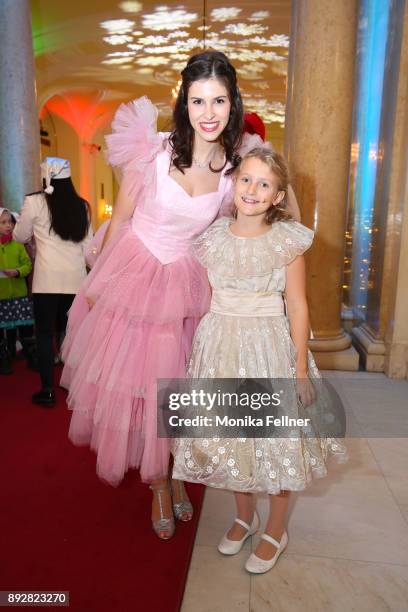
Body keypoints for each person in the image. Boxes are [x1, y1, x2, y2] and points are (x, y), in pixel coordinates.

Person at [60, 51, 301, 541]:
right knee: (145, 396)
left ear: (233, 104)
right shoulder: (153, 152)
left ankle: (175, 471)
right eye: (197, 100)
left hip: (192, 288)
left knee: (183, 395)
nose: (208, 112)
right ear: (184, 103)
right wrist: (97, 287)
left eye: (218, 100)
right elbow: (121, 223)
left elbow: (279, 209)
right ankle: (159, 485)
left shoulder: (237, 167)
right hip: (137, 280)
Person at [172, 147, 348, 573]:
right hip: (221, 346)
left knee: (273, 442)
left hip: (267, 347)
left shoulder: (287, 241)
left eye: (264, 184)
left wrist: (300, 370)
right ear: (234, 184)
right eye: (246, 179)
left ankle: (276, 527)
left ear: (277, 195)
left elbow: (299, 307)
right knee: (235, 437)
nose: (252, 189)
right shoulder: (212, 236)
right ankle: (243, 515)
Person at [13, 158, 92, 406]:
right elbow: (89, 247)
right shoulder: (82, 206)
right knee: (73, 335)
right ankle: (74, 388)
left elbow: (19, 235)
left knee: (45, 335)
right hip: (75, 280)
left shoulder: (34, 201)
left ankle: (47, 390)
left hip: (46, 282)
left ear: (47, 176)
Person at [0, 207, 34, 375]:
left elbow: (28, 265)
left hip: (19, 294)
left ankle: (31, 355)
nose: (8, 226)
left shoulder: (18, 244)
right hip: (1, 295)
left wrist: (17, 271)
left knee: (24, 327)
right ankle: (4, 358)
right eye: (3, 222)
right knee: (3, 330)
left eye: (10, 222)